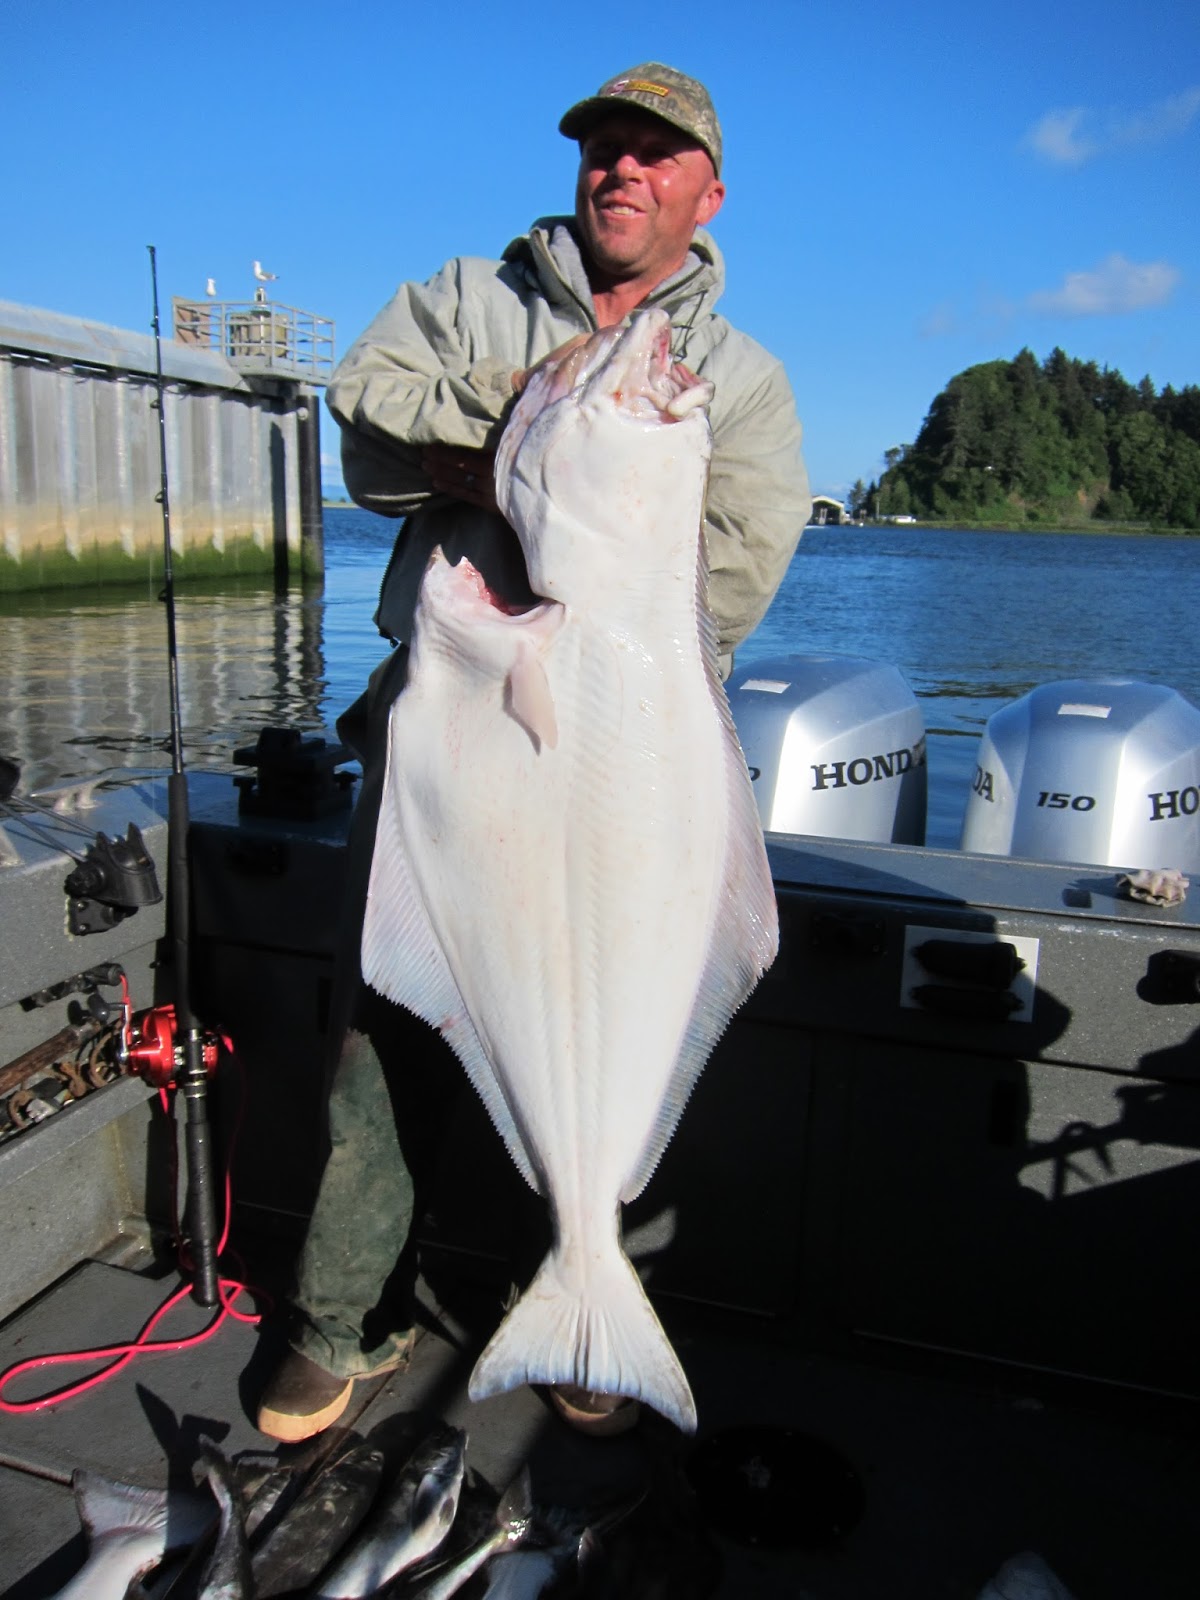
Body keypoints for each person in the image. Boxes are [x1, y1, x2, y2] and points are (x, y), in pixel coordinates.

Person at [256, 61, 812, 1444]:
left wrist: (556, 484)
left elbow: (731, 577)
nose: (622, 173)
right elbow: (364, 407)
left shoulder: (740, 381)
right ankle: (342, 1321)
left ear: (706, 192)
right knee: (385, 1037)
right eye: (604, 150)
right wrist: (512, 428)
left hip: (613, 761)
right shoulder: (471, 295)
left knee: (598, 1025)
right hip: (448, 738)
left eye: (655, 157)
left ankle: (577, 1288)